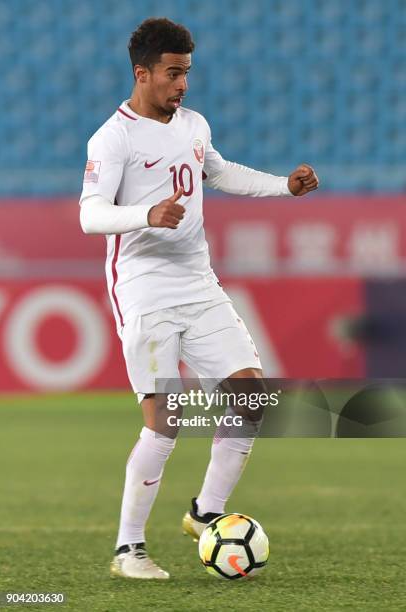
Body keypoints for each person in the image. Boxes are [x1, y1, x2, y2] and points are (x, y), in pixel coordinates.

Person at [79, 17, 319, 580]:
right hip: (144, 289)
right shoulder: (112, 137)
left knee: (250, 397)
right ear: (143, 73)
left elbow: (218, 172)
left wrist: (282, 186)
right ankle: (128, 550)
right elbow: (91, 214)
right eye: (172, 73)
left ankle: (206, 512)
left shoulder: (193, 124)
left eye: (187, 72)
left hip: (198, 283)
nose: (182, 83)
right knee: (167, 419)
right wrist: (146, 214)